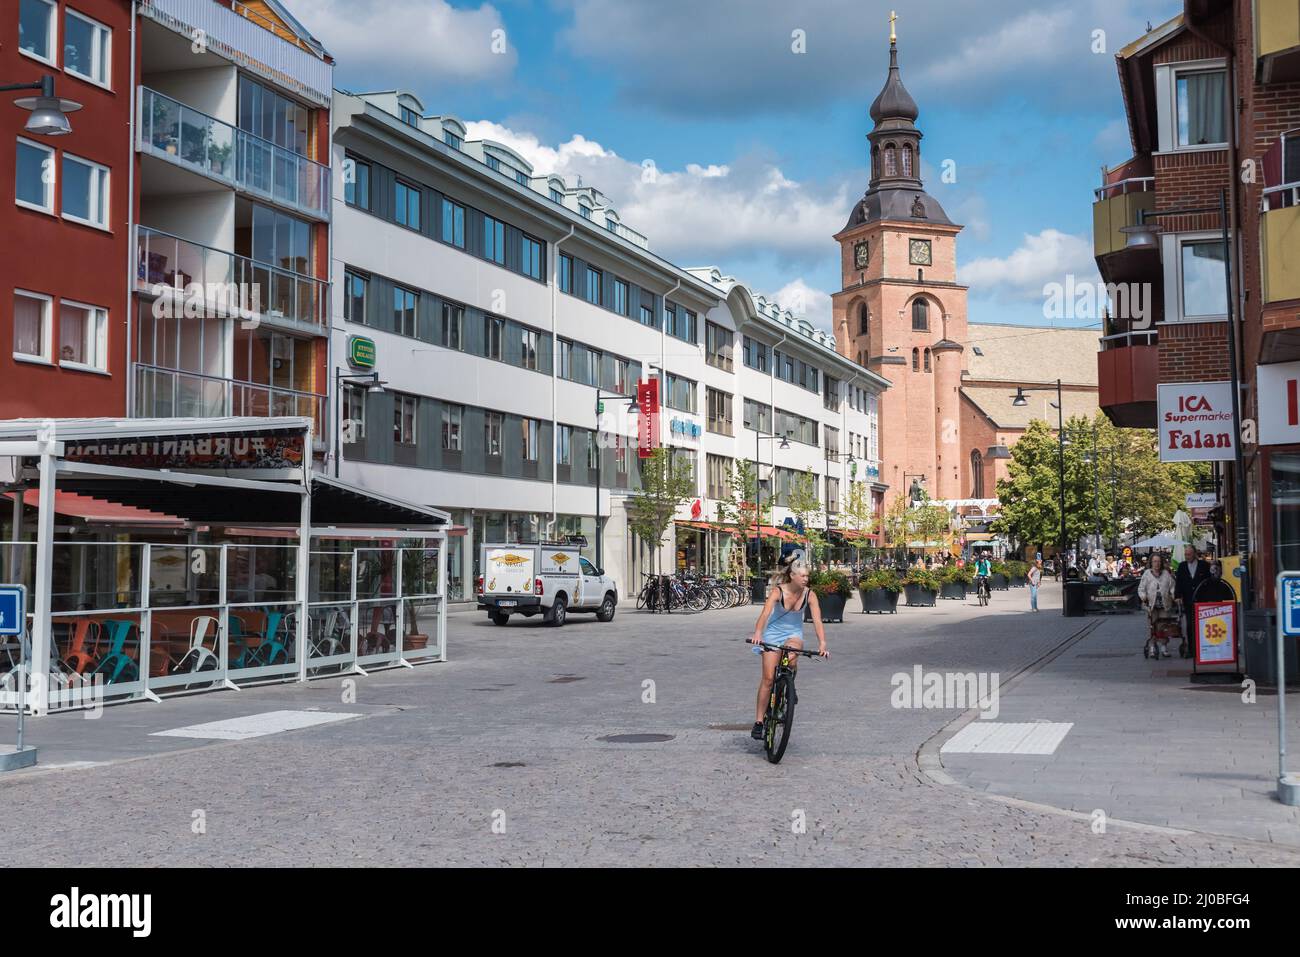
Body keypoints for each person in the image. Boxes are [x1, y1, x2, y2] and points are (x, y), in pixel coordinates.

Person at [748, 553, 829, 739]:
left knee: (792, 656)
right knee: (768, 679)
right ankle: (759, 722)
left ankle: (789, 685)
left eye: (807, 576)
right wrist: (758, 634)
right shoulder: (778, 591)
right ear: (792, 576)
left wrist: (822, 643)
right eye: (803, 576)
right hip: (773, 634)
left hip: (793, 634)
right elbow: (765, 613)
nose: (806, 579)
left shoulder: (810, 594)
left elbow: (817, 620)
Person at [1138, 553, 1178, 658]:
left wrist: (1175, 596)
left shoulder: (1166, 574)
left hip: (1164, 604)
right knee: (1153, 627)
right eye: (1155, 561)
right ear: (1151, 562)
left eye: (1159, 561)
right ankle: (1152, 647)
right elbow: (1141, 588)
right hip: (1151, 605)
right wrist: (1143, 597)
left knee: (1164, 627)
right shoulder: (1147, 574)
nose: (1157, 563)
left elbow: (1172, 587)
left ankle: (1164, 647)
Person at [1173, 545, 1210, 658]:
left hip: (1202, 600)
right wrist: (1177, 596)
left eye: (1189, 554)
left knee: (1203, 625)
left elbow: (1208, 581)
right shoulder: (1182, 566)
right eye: (1185, 554)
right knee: (1190, 625)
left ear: (1194, 554)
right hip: (1188, 600)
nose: (1187, 556)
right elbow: (1178, 582)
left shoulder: (1204, 565)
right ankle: (1191, 649)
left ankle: (1203, 648)